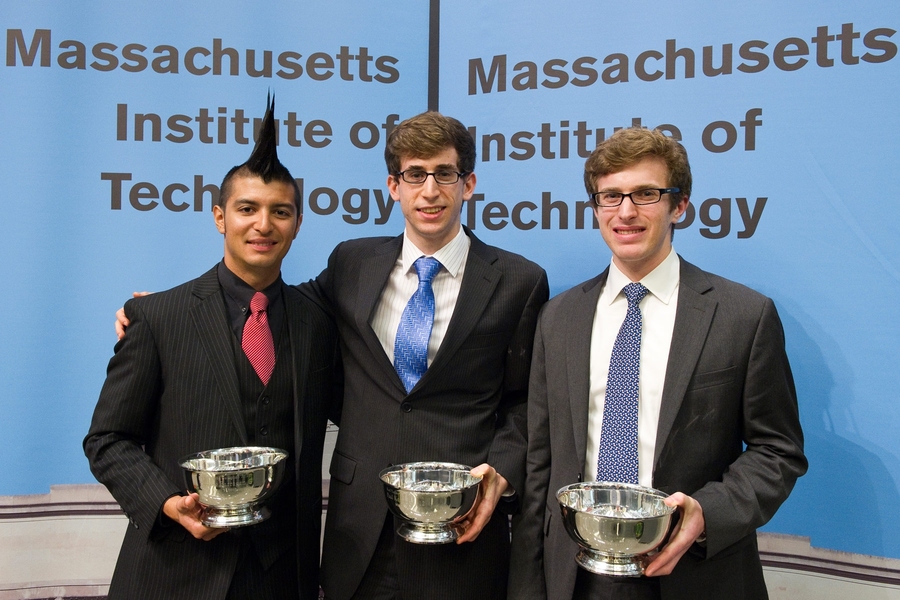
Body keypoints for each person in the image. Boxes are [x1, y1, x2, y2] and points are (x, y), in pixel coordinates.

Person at [507, 127, 807, 600]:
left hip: (694, 572)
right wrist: (527, 586)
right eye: (610, 197)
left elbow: (778, 451)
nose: (626, 211)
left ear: (679, 205)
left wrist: (706, 513)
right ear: (596, 208)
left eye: (646, 194)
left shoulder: (742, 315)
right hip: (577, 576)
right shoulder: (559, 317)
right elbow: (540, 464)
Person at [85, 97, 339, 600]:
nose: (263, 225)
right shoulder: (160, 316)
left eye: (279, 212)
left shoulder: (319, 321)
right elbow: (107, 440)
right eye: (247, 209)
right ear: (220, 217)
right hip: (175, 572)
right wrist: (165, 503)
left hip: (284, 577)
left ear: (298, 223)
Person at [311, 111, 549, 600]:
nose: (430, 190)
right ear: (393, 186)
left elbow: (528, 401)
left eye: (446, 174)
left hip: (462, 525)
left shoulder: (519, 282)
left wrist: (500, 473)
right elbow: (281, 311)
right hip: (361, 525)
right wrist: (166, 312)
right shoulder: (350, 262)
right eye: (415, 175)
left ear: (469, 184)